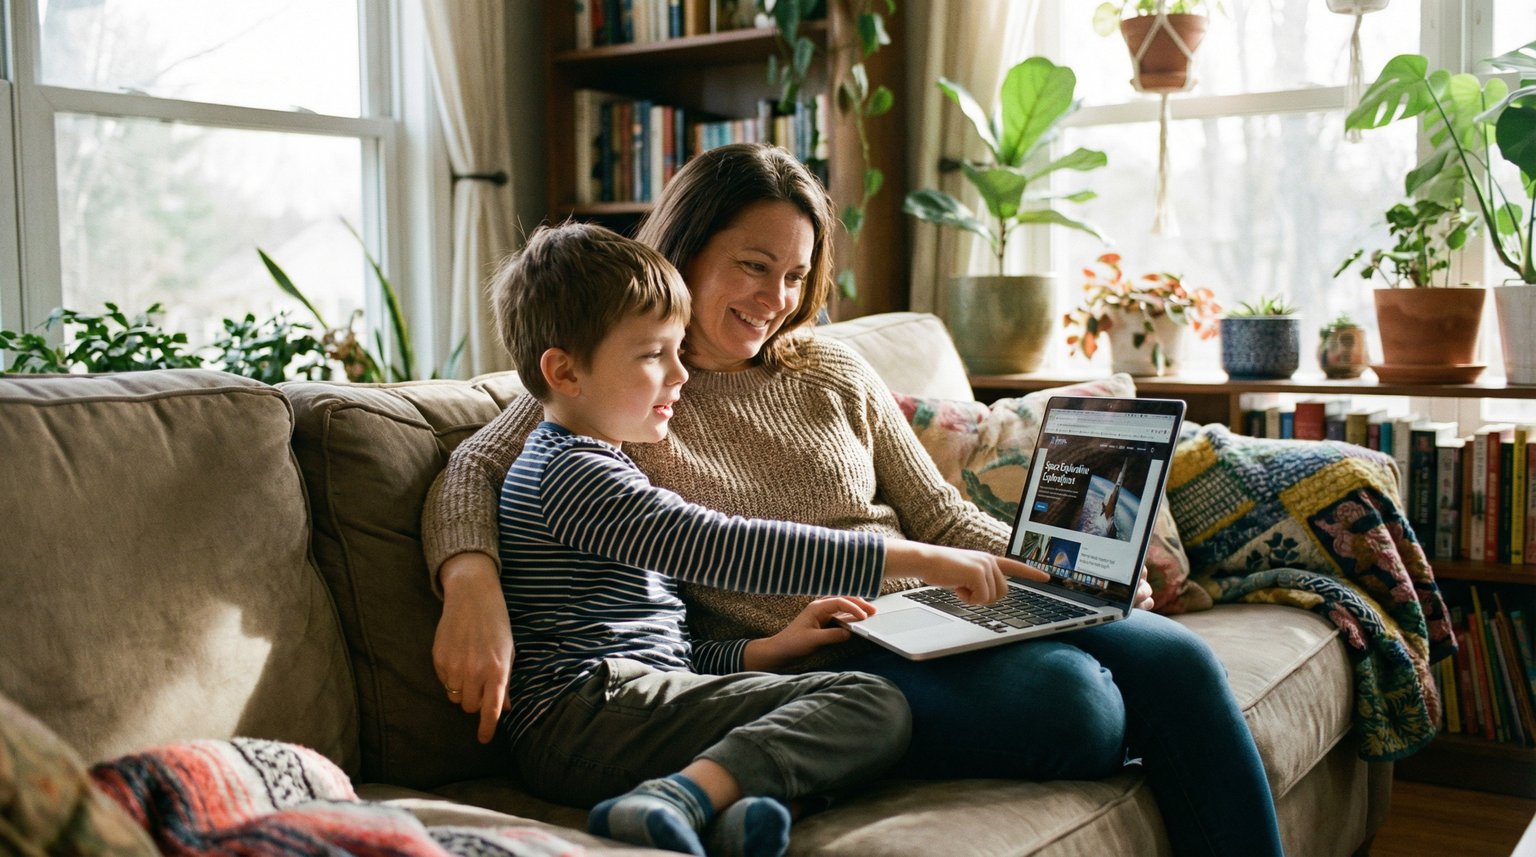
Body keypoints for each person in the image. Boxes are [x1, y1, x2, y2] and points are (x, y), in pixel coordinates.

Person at [425, 143, 1284, 857]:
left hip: (935, 603)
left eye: (796, 275)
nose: (775, 298)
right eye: (752, 266)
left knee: (1174, 657)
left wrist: (1051, 571)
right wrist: (470, 584)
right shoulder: (624, 379)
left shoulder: (828, 367)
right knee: (1079, 708)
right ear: (684, 250)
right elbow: (470, 466)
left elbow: (942, 517)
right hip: (827, 648)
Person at [481, 221, 1039, 857]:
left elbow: (672, 650)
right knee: (867, 702)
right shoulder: (569, 472)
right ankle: (673, 800)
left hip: (626, 702)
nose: (679, 375)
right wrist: (923, 560)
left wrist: (768, 649)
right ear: (565, 373)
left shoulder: (610, 460)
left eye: (676, 349)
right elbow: (726, 546)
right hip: (578, 717)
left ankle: (732, 813)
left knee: (858, 713)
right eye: (651, 356)